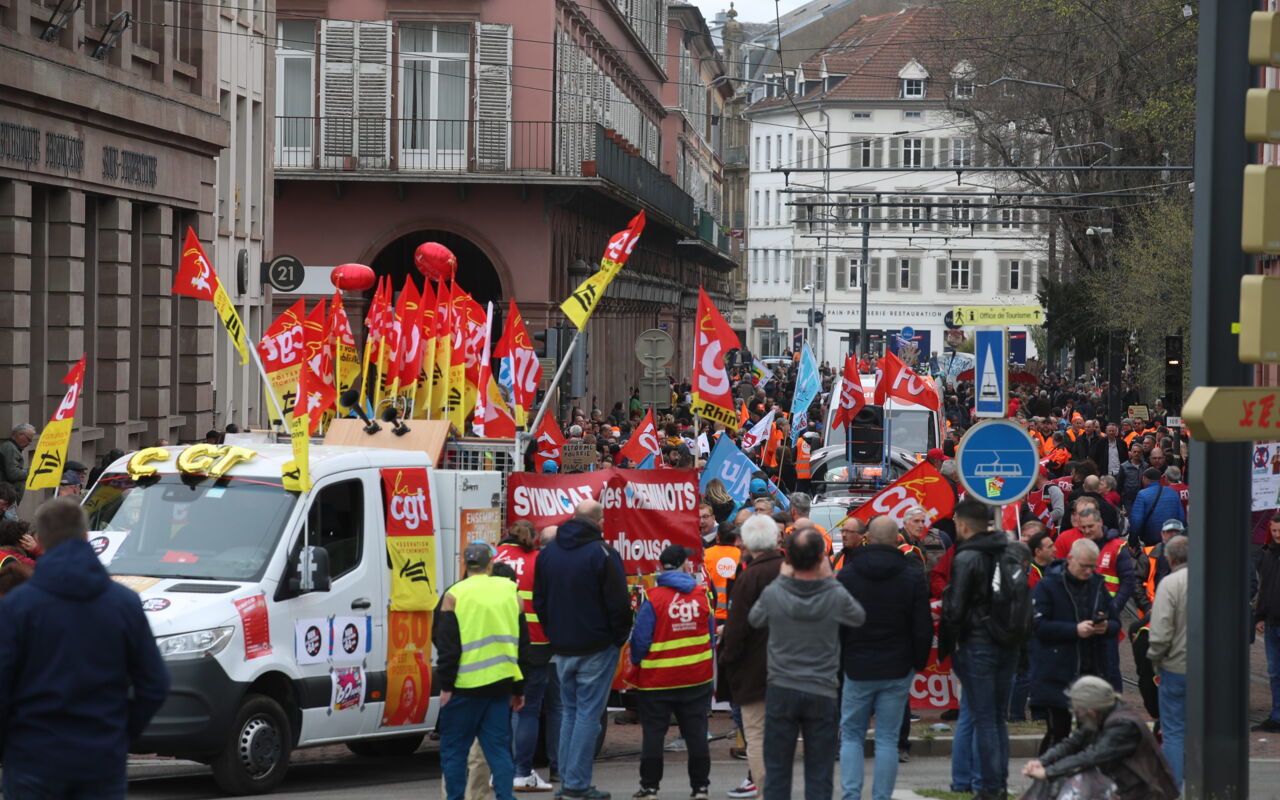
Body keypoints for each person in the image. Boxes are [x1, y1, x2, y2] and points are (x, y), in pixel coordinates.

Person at [0, 497, 170, 798]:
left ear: (40, 540)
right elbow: (155, 683)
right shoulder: (124, 603)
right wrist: (121, 733)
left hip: (34, 753)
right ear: (86, 536)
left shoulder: (18, 606)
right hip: (100, 754)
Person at [748, 528, 865, 800]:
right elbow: (858, 617)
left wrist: (781, 579)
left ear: (789, 560)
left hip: (781, 688)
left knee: (777, 770)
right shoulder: (833, 593)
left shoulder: (775, 592)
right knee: (820, 772)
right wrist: (829, 580)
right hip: (822, 690)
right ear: (821, 559)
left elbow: (754, 619)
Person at [533, 500, 632, 800]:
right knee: (587, 714)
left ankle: (569, 779)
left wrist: (554, 634)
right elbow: (619, 604)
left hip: (562, 646)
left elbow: (540, 600)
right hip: (597, 646)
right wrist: (617, 638)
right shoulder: (602, 553)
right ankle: (575, 784)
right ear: (599, 522)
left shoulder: (548, 553)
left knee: (569, 712)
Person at [836, 516, 931, 800]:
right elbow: (922, 626)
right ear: (896, 540)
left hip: (856, 665)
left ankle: (851, 795)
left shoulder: (848, 575)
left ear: (868, 538)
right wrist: (917, 663)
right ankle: (881, 797)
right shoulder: (911, 576)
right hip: (897, 666)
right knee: (888, 739)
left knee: (852, 735)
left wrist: (841, 663)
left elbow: (838, 624)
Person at [435, 541, 531, 800]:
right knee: (498, 750)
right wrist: (518, 689)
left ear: (466, 564)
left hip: (463, 687)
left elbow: (447, 646)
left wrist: (446, 685)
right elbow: (523, 645)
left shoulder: (454, 594)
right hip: (500, 684)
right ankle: (506, 797)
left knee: (454, 751)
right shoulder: (510, 592)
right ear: (490, 563)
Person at [940, 498, 1022, 800]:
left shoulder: (967, 557)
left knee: (983, 717)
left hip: (977, 644)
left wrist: (951, 643)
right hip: (1007, 643)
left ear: (963, 525)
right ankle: (997, 782)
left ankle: (988, 787)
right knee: (997, 717)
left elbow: (955, 608)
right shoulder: (1009, 552)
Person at [628, 545, 714, 800]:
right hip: (696, 677)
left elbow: (640, 641)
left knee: (654, 734)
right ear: (683, 565)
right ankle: (700, 788)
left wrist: (637, 661)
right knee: (696, 733)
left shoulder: (653, 598)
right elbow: (710, 636)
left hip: (657, 680)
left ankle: (650, 788)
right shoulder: (701, 595)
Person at [1021, 676, 1178, 800]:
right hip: (1123, 783)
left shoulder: (1124, 725)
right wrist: (1042, 762)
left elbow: (1092, 756)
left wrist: (1049, 772)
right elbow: (1072, 743)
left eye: (1078, 709)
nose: (1076, 713)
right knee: (1056, 779)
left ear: (1090, 709)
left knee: (1075, 780)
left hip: (1144, 791)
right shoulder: (1104, 713)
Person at [1028, 539, 1116, 754]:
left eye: (1092, 566)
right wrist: (1074, 630)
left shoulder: (1097, 585)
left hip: (1091, 667)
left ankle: (1082, 772)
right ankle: (1046, 772)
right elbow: (1036, 625)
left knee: (1091, 732)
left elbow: (1115, 621)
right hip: (1057, 668)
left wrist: (1106, 627)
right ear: (1070, 559)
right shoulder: (1048, 586)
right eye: (1084, 566)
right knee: (1058, 731)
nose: (1088, 572)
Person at [719, 513, 785, 799]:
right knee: (778, 734)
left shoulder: (750, 576)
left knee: (756, 734)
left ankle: (765, 790)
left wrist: (728, 659)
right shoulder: (790, 569)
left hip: (756, 667)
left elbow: (737, 627)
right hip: (790, 665)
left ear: (746, 541)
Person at [494, 521, 558, 792]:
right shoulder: (539, 560)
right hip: (536, 643)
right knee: (528, 709)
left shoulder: (493, 558)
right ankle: (522, 771)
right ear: (534, 538)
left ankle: (500, 770)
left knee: (500, 709)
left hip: (496, 644)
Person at [1147, 535, 1188, 792]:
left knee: (1173, 730)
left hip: (1175, 666)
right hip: (1209, 669)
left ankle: (1174, 789)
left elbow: (1160, 631)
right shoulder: (1211, 580)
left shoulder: (1170, 584)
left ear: (1170, 559)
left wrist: (1156, 659)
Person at [1255, 512, 1280, 733]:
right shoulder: (1268, 554)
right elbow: (1264, 588)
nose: (1277, 535)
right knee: (1274, 672)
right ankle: (1277, 715)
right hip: (1271, 622)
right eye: (1274, 531)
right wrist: (1260, 616)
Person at [1129, 468, 1186, 547]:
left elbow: (1136, 521)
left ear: (1145, 478)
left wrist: (1132, 542)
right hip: (1171, 537)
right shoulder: (1172, 492)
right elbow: (1182, 517)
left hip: (1151, 538)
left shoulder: (1142, 494)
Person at [704, 525, 741, 624]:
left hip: (712, 612)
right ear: (736, 539)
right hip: (734, 613)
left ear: (717, 537)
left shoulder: (706, 555)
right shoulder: (742, 555)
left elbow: (701, 583)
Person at [0, 423, 35, 505]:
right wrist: (32, 471)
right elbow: (13, 474)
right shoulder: (10, 448)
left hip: (8, 498)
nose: (29, 443)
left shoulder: (12, 447)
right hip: (7, 498)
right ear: (19, 435)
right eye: (29, 439)